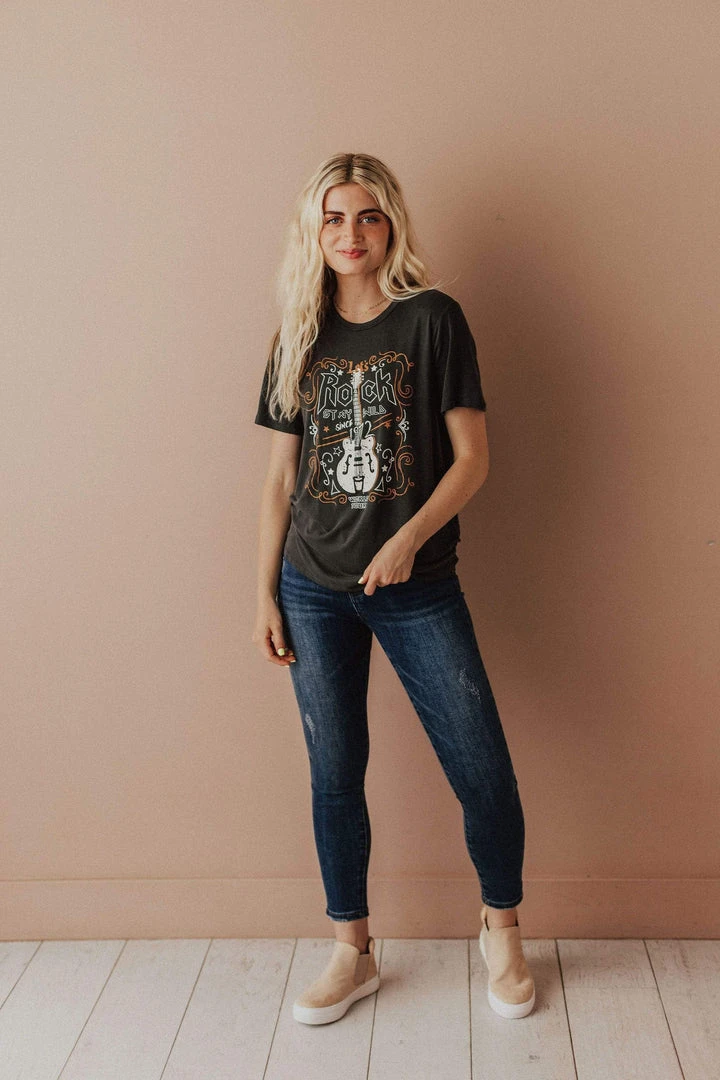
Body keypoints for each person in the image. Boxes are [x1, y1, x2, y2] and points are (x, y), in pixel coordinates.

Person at [252, 152, 535, 1024]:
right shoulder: (297, 331)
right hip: (311, 587)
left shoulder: (433, 320)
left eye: (367, 216)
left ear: (390, 225)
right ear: (314, 230)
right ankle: (353, 950)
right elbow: (280, 478)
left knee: (481, 767)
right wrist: (263, 592)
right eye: (334, 218)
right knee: (334, 774)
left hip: (417, 585)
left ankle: (502, 929)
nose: (351, 234)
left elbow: (472, 459)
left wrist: (410, 539)